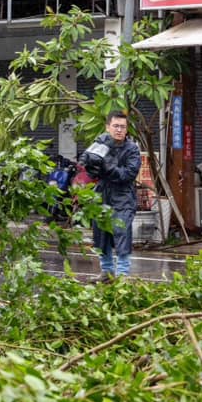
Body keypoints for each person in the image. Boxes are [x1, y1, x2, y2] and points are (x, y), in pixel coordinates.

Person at [79, 110, 141, 282]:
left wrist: (107, 167)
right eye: (116, 126)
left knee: (122, 232)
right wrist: (88, 163)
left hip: (123, 196)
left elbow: (127, 175)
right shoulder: (101, 142)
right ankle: (106, 272)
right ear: (108, 127)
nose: (119, 130)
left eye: (123, 127)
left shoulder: (132, 150)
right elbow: (86, 161)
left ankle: (122, 275)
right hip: (102, 195)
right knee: (101, 234)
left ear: (127, 129)